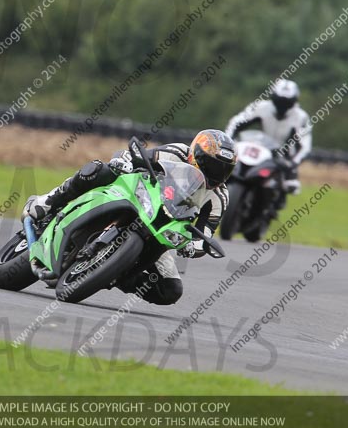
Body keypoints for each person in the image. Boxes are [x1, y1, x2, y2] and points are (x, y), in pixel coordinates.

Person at [22, 130, 236, 306]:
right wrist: (123, 162)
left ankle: (116, 274)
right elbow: (139, 158)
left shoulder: (219, 197)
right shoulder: (177, 152)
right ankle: (48, 202)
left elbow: (205, 233)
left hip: (164, 230)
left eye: (224, 170)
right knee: (98, 169)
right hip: (139, 198)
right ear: (195, 154)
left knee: (170, 290)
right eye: (211, 165)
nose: (216, 173)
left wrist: (193, 247)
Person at [225, 79, 312, 211]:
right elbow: (236, 122)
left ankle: (273, 204)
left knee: (291, 185)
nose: (282, 106)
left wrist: (293, 163)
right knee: (227, 166)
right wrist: (228, 140)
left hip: (282, 157)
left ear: (294, 101)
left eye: (287, 102)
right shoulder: (260, 106)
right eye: (279, 100)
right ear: (273, 97)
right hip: (258, 147)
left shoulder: (301, 117)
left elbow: (305, 146)